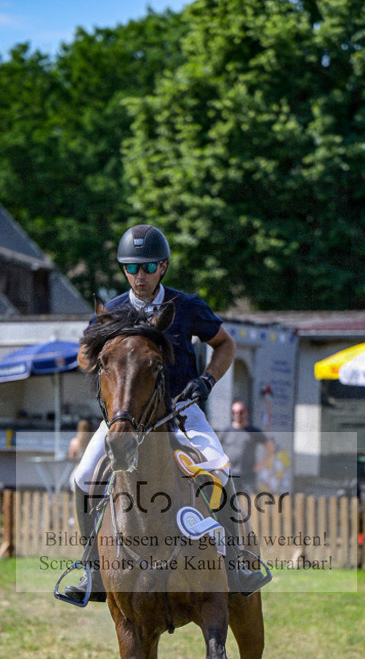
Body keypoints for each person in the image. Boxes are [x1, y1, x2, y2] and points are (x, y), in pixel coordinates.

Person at [65, 223, 268, 604]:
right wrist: (108, 367)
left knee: (220, 469)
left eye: (147, 267)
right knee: (83, 476)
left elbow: (225, 344)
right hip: (126, 415)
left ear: (163, 266)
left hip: (181, 411)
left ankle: (236, 561)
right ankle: (91, 567)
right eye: (131, 268)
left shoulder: (186, 305)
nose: (139, 276)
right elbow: (84, 356)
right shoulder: (113, 312)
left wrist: (207, 380)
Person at [218, 401, 275, 495]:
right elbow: (216, 448)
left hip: (248, 475)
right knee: (230, 500)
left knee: (250, 501)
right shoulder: (225, 431)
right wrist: (222, 463)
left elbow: (270, 447)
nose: (238, 415)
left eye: (240, 412)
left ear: (246, 413)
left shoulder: (253, 431)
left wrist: (261, 465)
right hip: (230, 475)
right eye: (235, 412)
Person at [68, 417, 94, 491]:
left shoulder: (75, 442)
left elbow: (71, 456)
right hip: (92, 470)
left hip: (79, 468)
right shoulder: (93, 442)